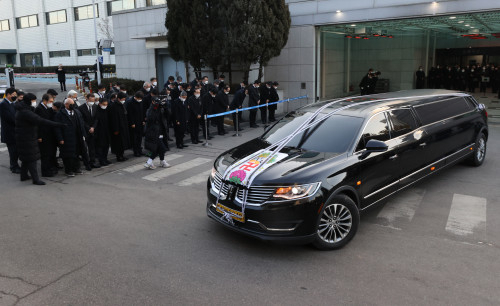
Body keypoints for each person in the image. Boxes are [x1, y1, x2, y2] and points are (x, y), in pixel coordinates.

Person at [15, 93, 64, 185]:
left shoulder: (25, 109)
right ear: (29, 101)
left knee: (26, 158)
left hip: (26, 136)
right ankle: (35, 179)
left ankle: (24, 175)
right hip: (27, 137)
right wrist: (58, 125)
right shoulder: (26, 112)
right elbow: (40, 120)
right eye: (33, 100)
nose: (35, 102)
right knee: (32, 158)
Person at [54, 98, 88, 177]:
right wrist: (60, 138)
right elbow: (57, 128)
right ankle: (69, 170)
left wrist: (83, 134)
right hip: (66, 138)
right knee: (68, 155)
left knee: (77, 153)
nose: (73, 106)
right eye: (71, 104)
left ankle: (77, 168)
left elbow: (81, 123)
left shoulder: (77, 112)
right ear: (66, 105)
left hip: (77, 137)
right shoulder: (60, 114)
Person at [143, 98, 171, 169]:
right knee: (161, 148)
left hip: (162, 131)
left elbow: (168, 115)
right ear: (152, 102)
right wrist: (154, 107)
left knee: (161, 147)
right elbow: (151, 118)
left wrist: (165, 106)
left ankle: (160, 161)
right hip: (153, 132)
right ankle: (149, 161)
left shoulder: (161, 109)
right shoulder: (150, 110)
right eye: (156, 102)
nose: (157, 103)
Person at [35, 94, 58, 177]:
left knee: (50, 153)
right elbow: (38, 124)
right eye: (50, 101)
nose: (52, 103)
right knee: (45, 154)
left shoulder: (48, 108)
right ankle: (45, 171)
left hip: (49, 135)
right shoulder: (39, 109)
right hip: (43, 135)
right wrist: (39, 136)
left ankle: (50, 168)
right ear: (45, 100)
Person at [0, 88, 20, 173]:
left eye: (15, 94)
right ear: (8, 94)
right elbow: (10, 118)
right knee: (12, 151)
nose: (15, 96)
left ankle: (15, 165)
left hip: (14, 131)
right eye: (13, 94)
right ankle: (14, 167)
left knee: (16, 150)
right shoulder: (3, 104)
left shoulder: (12, 104)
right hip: (9, 132)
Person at [78, 93, 99, 169]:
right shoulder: (81, 108)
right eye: (90, 100)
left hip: (93, 131)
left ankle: (92, 162)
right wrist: (88, 128)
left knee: (92, 147)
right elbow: (82, 120)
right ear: (86, 100)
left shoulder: (95, 107)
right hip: (85, 131)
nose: (92, 102)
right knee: (84, 148)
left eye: (93, 101)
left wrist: (93, 127)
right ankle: (86, 163)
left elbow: (96, 118)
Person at [109, 92, 131, 161]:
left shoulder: (122, 104)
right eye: (123, 99)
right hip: (118, 129)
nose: (124, 100)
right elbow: (114, 119)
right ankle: (119, 156)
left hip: (123, 127)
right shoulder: (114, 106)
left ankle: (122, 155)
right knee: (118, 143)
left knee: (123, 143)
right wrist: (116, 129)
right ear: (119, 99)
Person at [93, 99, 111, 167]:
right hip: (99, 132)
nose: (105, 106)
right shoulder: (97, 110)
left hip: (106, 131)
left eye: (106, 105)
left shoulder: (106, 110)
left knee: (106, 146)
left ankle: (105, 159)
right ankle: (101, 160)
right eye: (104, 105)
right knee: (100, 147)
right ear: (100, 104)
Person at [126, 91, 145, 157]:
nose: (140, 100)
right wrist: (132, 123)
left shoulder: (141, 101)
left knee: (140, 137)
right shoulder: (130, 102)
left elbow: (142, 111)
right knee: (134, 138)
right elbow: (130, 114)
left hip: (140, 122)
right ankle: (135, 151)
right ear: (136, 97)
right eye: (139, 98)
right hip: (134, 123)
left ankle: (139, 150)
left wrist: (143, 120)